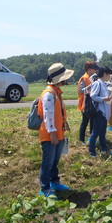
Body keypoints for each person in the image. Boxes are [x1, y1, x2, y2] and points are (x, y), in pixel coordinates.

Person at [37, 63, 74, 197]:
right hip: (49, 134)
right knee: (48, 162)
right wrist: (52, 133)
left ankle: (54, 182)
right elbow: (47, 115)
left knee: (55, 161)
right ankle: (45, 188)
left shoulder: (56, 92)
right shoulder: (48, 94)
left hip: (58, 133)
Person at [88, 67, 112, 157]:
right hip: (99, 112)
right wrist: (104, 99)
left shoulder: (103, 83)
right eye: (108, 75)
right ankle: (92, 151)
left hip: (104, 112)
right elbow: (93, 96)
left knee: (102, 132)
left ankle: (104, 148)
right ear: (104, 74)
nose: (109, 77)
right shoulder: (97, 83)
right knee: (95, 132)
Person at [77, 61, 99, 144]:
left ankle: (91, 138)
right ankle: (81, 139)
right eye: (94, 69)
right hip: (85, 104)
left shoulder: (93, 78)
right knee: (85, 121)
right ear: (89, 69)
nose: (96, 71)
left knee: (92, 121)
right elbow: (81, 90)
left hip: (91, 103)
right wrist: (91, 89)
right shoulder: (84, 78)